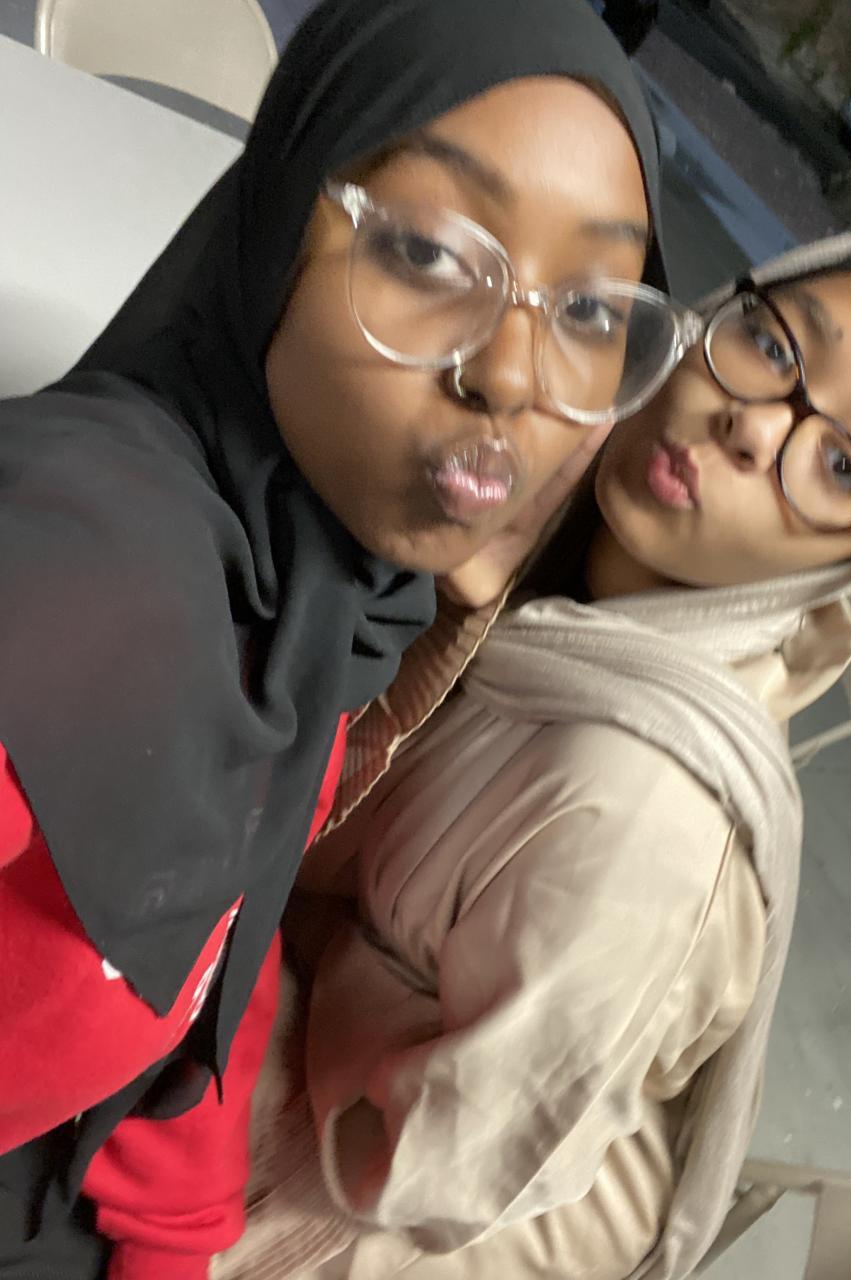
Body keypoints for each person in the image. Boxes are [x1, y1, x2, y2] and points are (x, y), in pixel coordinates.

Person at [0, 1, 673, 1275]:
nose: (512, 373)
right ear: (278, 227)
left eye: (590, 310)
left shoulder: (316, 623)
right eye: (426, 250)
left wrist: (174, 1244)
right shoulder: (81, 586)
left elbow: (202, 952)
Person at [212, 225, 851, 1280]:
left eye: (843, 466)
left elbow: (431, 1164)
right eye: (774, 344)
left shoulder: (638, 819)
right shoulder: (547, 497)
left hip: (403, 1180)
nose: (755, 429)